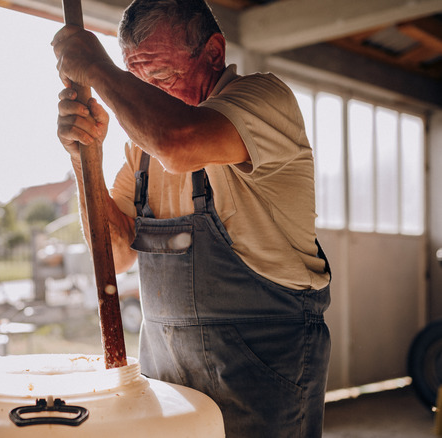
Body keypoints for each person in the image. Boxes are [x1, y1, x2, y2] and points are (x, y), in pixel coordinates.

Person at [52, 0, 332, 436]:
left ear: (214, 53)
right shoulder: (141, 145)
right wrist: (86, 157)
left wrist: (97, 69)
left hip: (260, 374)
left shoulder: (263, 100)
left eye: (162, 78)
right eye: (138, 81)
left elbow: (178, 143)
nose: (148, 96)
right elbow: (118, 255)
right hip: (167, 379)